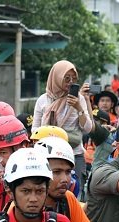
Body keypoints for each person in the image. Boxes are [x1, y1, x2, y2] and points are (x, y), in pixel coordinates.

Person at [33, 136, 112, 222]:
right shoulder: (20, 205)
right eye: (56, 172)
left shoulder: (68, 199)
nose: (65, 179)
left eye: (68, 172)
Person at [32, 60, 93, 191]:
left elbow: (87, 128)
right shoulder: (43, 100)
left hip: (74, 154)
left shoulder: (79, 99)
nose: (71, 82)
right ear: (56, 78)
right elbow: (34, 130)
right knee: (47, 191)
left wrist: (79, 108)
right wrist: (52, 134)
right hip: (48, 155)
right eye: (66, 78)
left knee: (74, 193)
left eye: (74, 78)